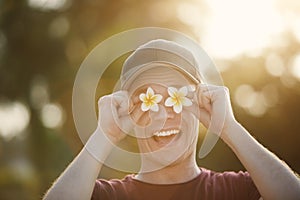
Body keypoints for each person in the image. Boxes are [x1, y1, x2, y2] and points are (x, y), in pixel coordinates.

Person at [43, 39, 300, 200]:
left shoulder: (237, 192)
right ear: (128, 112)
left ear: (201, 103)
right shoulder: (106, 196)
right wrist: (104, 135)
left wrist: (228, 127)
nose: (163, 114)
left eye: (178, 97)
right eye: (148, 99)